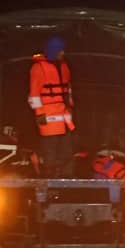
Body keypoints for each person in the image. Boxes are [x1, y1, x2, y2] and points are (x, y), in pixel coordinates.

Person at [28, 37, 76, 177]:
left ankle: (67, 179)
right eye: (60, 50)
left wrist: (70, 106)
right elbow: (34, 94)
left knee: (67, 150)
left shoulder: (64, 66)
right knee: (50, 151)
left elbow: (68, 89)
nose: (63, 53)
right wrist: (39, 113)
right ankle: (49, 180)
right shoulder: (38, 68)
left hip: (64, 117)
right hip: (48, 117)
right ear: (53, 50)